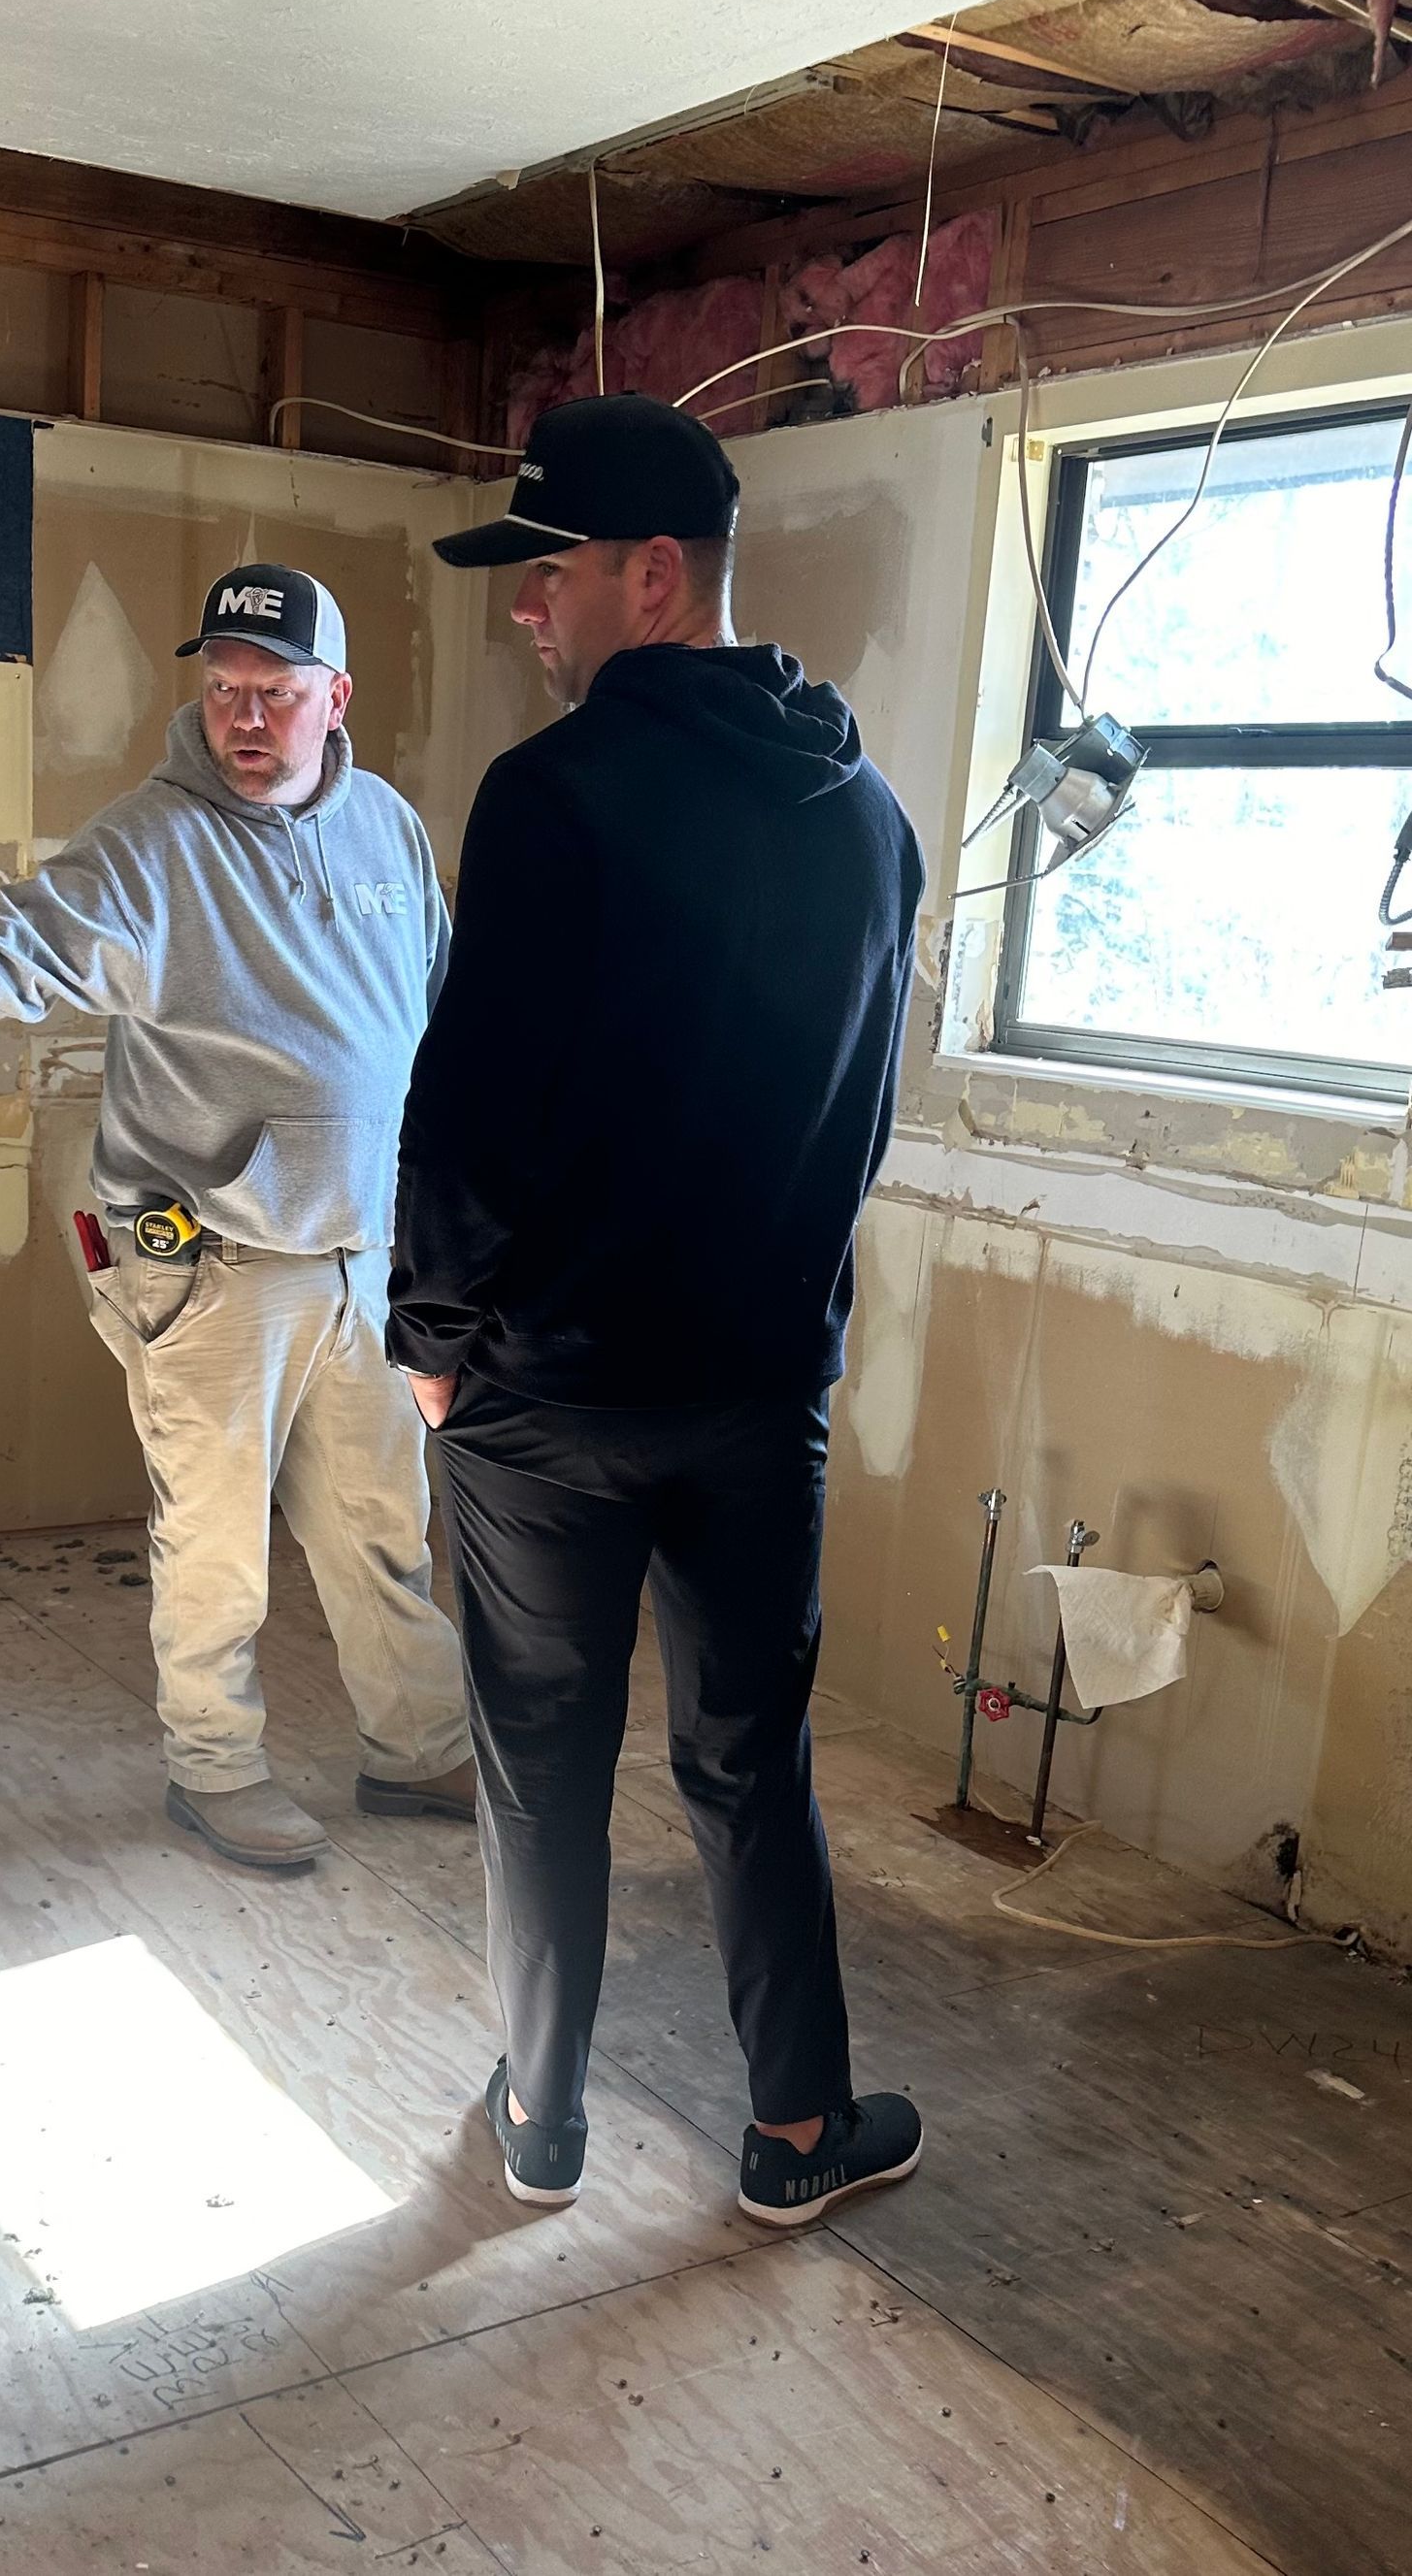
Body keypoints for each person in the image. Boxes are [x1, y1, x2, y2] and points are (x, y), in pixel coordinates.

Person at [387, 394, 925, 2221]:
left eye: (546, 579)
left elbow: (471, 1105)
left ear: (652, 574)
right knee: (751, 1760)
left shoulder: (555, 795)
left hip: (544, 1398)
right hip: (758, 1390)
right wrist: (800, 1319)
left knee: (543, 1763)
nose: (525, 614)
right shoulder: (869, 814)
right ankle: (797, 2135)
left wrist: (431, 1342)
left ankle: (542, 2122)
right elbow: (865, 1111)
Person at [0, 563, 475, 1875]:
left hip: (364, 1253)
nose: (247, 718)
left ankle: (415, 1748)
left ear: (337, 696)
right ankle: (215, 1772)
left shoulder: (385, 828)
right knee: (217, 1540)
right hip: (212, 1259)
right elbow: (18, 941)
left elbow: (441, 1005)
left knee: (385, 1524)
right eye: (224, 692)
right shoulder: (156, 842)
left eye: (275, 692)